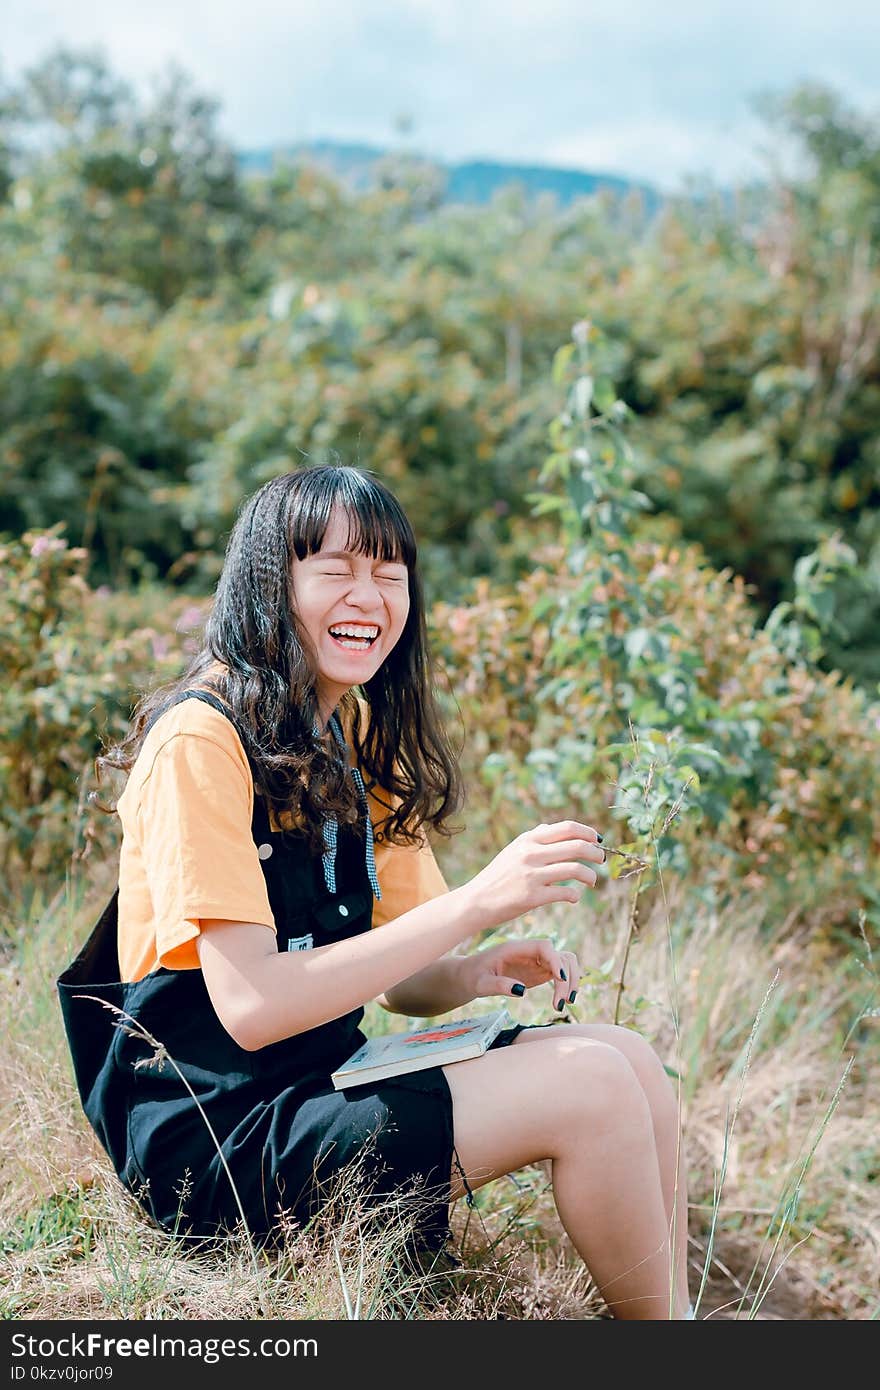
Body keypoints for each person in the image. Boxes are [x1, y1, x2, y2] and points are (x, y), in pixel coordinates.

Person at [58, 464, 693, 1320]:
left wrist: (471, 972)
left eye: (389, 575)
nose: (370, 597)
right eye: (337, 570)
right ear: (270, 581)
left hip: (320, 1079)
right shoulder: (200, 742)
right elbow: (251, 1008)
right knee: (595, 1088)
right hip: (219, 1141)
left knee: (632, 1062)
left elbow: (401, 980)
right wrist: (476, 901)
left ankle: (680, 1322)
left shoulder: (344, 731)